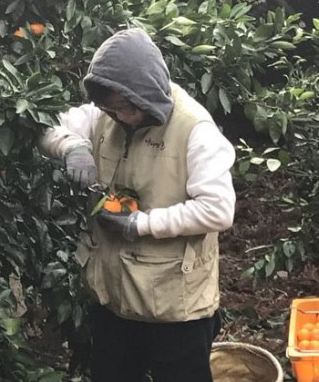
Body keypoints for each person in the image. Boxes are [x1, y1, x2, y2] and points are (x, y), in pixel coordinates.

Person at [39, 28, 236, 382]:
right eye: (110, 108)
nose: (118, 117)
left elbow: (218, 209)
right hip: (114, 297)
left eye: (126, 108)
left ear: (146, 94)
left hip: (177, 307)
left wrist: (142, 224)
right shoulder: (107, 113)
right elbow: (45, 125)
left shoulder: (195, 130)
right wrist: (71, 146)